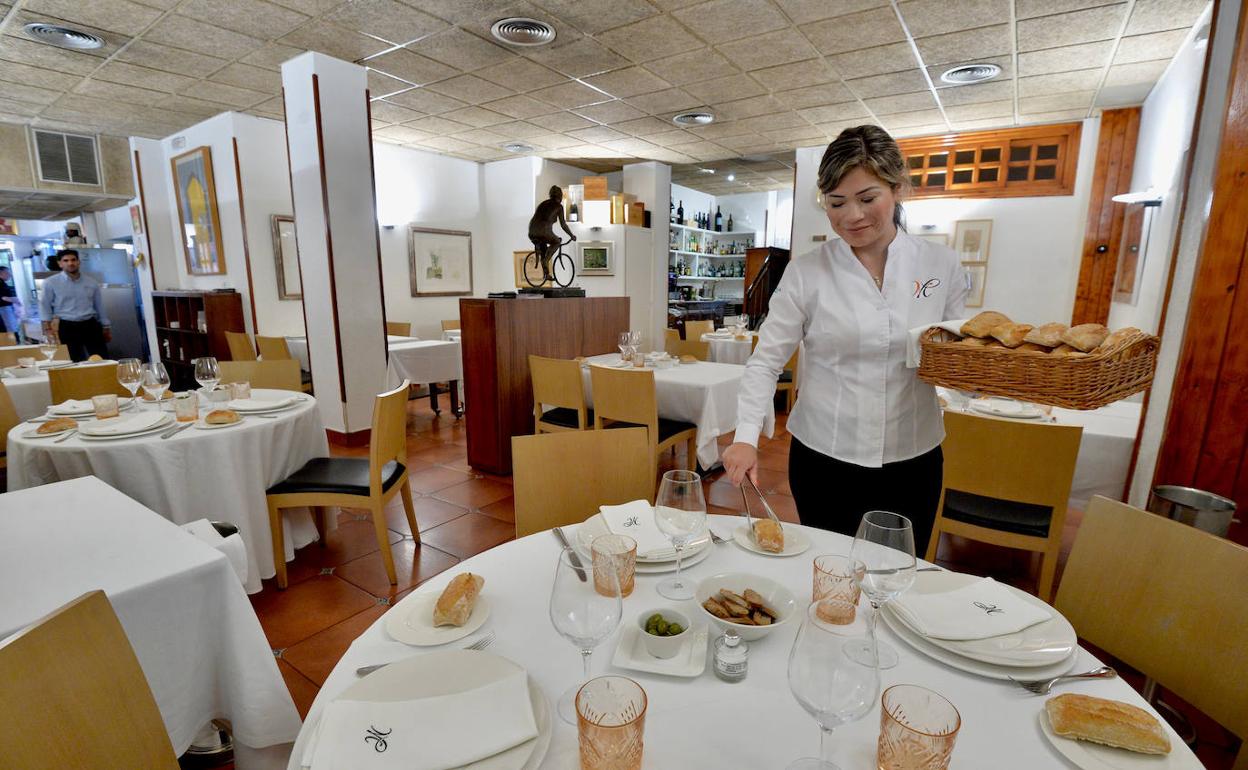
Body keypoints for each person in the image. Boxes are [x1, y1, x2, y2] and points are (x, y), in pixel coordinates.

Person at [722, 125, 967, 554]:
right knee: (829, 570)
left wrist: (980, 379)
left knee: (897, 576)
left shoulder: (940, 264)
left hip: (913, 455)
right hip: (824, 455)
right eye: (836, 203)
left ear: (897, 189)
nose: (851, 216)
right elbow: (766, 361)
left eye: (867, 198)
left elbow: (960, 356)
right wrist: (745, 436)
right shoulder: (807, 271)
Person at [39, 249, 111, 361]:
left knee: (101, 358)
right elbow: (44, 305)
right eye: (66, 260)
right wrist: (47, 329)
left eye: (73, 260)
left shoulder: (91, 282)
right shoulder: (50, 283)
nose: (70, 263)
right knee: (73, 359)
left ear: (78, 262)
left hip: (90, 324)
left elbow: (99, 305)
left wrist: (106, 326)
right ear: (60, 263)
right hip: (67, 326)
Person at [527, 186, 575, 282]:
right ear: (560, 196)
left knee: (544, 249)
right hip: (543, 232)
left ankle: (546, 273)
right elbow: (563, 224)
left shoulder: (543, 204)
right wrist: (571, 235)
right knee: (556, 242)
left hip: (532, 231)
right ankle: (545, 260)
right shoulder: (559, 207)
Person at [0, 265, 18, 335]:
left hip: (6, 308)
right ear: (1, 273)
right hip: (4, 308)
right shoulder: (0, 283)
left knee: (11, 326)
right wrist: (16, 300)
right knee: (11, 327)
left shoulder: (3, 283)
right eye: (7, 273)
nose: (10, 275)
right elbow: (3, 297)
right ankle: (13, 343)